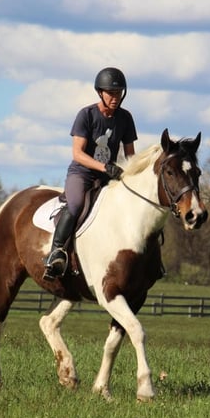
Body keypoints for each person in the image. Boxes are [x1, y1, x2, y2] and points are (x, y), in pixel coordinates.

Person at [43, 67, 138, 279]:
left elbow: (131, 155)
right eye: (111, 93)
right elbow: (77, 153)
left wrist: (129, 176)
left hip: (109, 177)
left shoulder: (125, 118)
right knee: (76, 204)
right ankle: (56, 252)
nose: (115, 97)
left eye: (119, 93)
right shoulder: (86, 115)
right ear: (100, 93)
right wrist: (105, 167)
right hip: (82, 174)